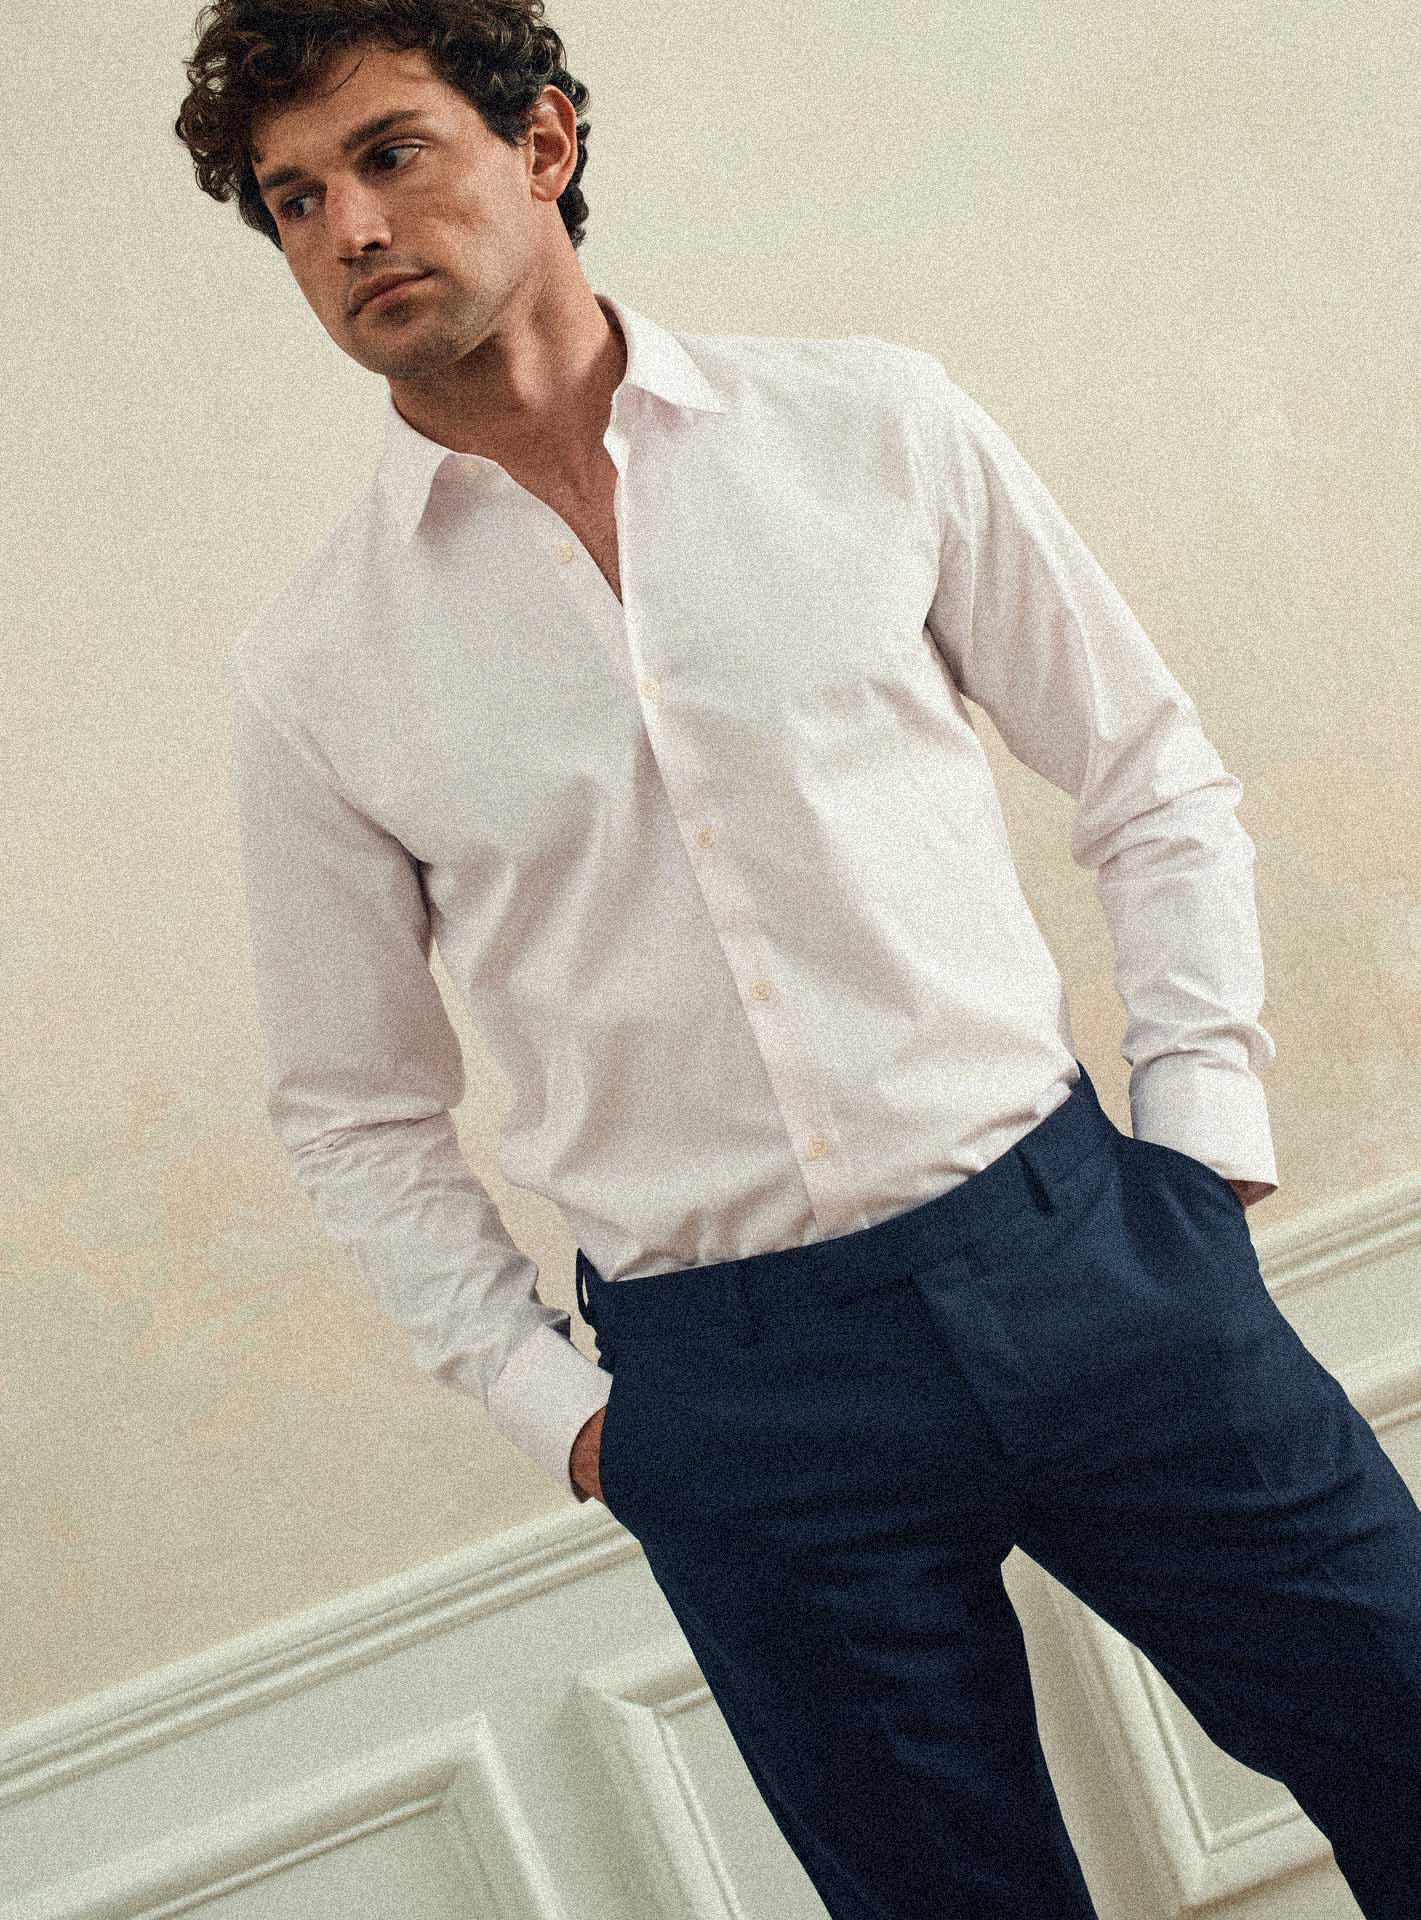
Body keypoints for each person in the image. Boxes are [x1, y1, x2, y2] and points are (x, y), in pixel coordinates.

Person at [176, 4, 1421, 1913]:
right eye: (292, 200)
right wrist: (565, 1416)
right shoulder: (315, 663)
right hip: (737, 1396)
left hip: (1084, 1256)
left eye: (390, 153)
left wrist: (1197, 1141)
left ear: (543, 144)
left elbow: (1146, 774)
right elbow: (352, 1107)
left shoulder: (868, 427)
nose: (348, 227)